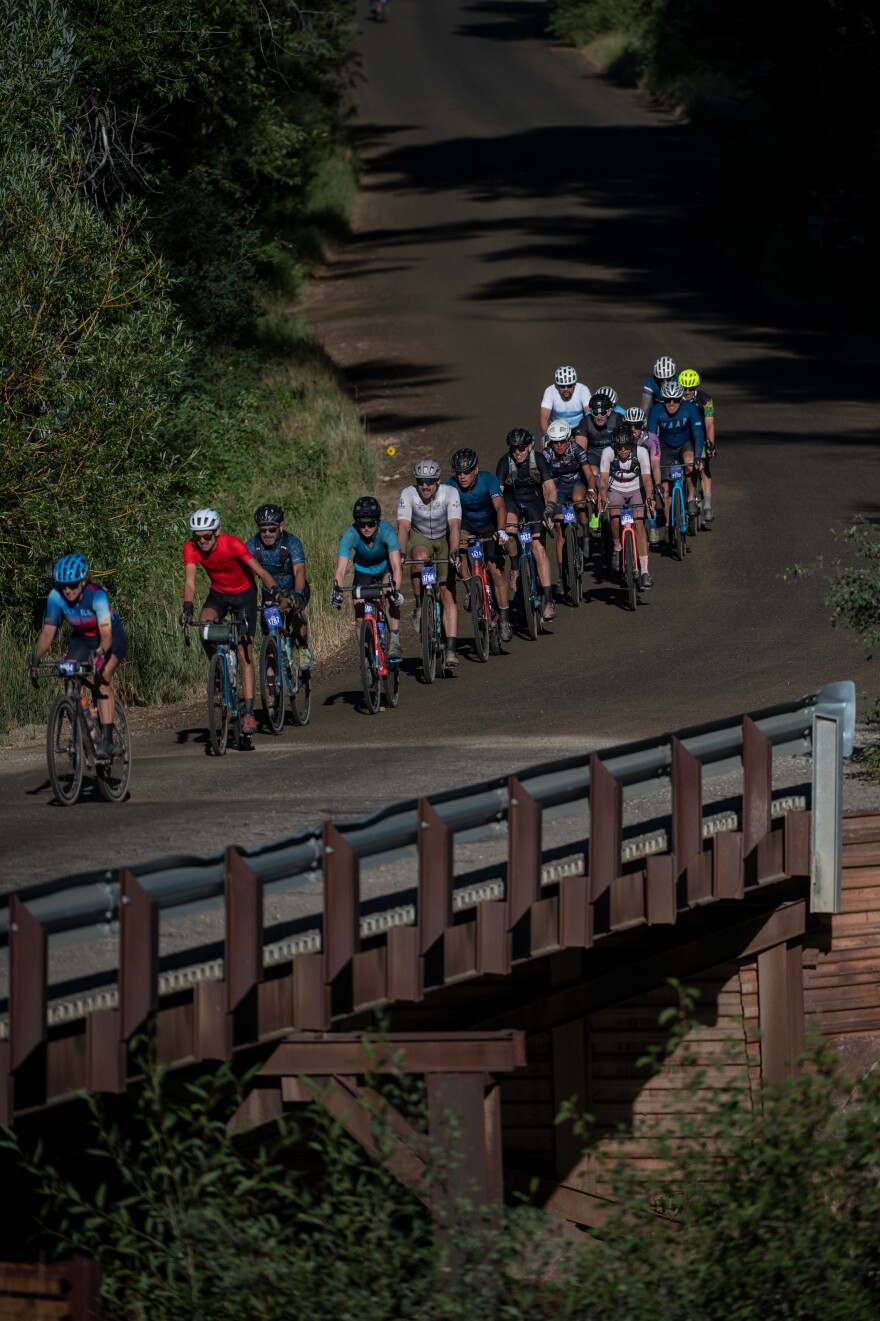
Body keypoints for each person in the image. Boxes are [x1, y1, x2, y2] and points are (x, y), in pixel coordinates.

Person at [181, 508, 289, 736]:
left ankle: (249, 712)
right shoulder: (190, 548)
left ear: (217, 532)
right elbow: (190, 581)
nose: (202, 542)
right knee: (204, 629)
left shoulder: (232, 544)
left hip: (244, 596)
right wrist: (187, 607)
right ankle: (219, 669)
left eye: (207, 537)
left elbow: (260, 572)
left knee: (244, 652)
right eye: (197, 537)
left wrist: (277, 592)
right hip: (218, 594)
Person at [26, 554, 127, 760]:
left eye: (72, 585)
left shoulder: (97, 595)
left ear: (83, 581)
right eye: (63, 586)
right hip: (82, 639)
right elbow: (48, 632)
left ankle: (107, 739)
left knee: (102, 677)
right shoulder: (56, 597)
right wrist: (36, 656)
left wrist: (99, 654)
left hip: (110, 638)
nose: (68, 590)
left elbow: (106, 636)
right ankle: (86, 721)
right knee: (68, 671)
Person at [397, 458, 463, 668]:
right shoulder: (408, 494)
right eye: (421, 481)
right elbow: (403, 526)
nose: (425, 486)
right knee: (419, 558)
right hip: (421, 535)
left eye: (429, 481)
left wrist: (453, 551)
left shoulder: (450, 493)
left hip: (444, 537)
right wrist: (399, 551)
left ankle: (451, 649)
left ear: (438, 481)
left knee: (447, 592)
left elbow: (454, 526)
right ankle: (419, 606)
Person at [446, 447, 513, 643]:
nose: (462, 476)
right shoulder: (450, 485)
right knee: (461, 546)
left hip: (489, 525)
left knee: (495, 571)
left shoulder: (488, 479)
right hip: (467, 524)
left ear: (476, 469)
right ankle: (471, 589)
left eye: (466, 472)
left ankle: (504, 620)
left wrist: (501, 530)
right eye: (458, 472)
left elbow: (500, 506)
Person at [495, 428, 558, 622]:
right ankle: (515, 567)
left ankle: (548, 601)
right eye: (514, 448)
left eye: (522, 448)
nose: (518, 452)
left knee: (538, 550)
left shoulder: (538, 459)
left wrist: (549, 510)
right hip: (512, 501)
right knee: (509, 531)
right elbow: (498, 494)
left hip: (534, 502)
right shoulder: (504, 462)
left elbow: (550, 489)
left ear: (529, 446)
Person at [331, 496, 404, 658]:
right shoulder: (350, 534)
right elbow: (341, 569)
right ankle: (366, 658)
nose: (366, 528)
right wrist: (337, 591)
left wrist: (396, 591)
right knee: (359, 613)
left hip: (385, 567)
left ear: (377, 521)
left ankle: (395, 639)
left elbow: (397, 566)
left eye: (370, 523)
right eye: (361, 524)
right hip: (363, 570)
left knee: (389, 595)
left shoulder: (387, 531)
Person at [246, 503, 312, 669]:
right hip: (270, 592)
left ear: (280, 527)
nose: (267, 533)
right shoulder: (252, 545)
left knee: (295, 614)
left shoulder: (292, 543)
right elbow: (245, 574)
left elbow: (299, 571)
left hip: (294, 586)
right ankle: (271, 684)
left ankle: (303, 648)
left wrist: (297, 594)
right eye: (263, 530)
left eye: (271, 529)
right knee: (269, 632)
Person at [597, 424, 655, 590]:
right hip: (616, 489)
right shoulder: (608, 453)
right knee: (614, 519)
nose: (623, 450)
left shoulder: (641, 452)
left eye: (626, 446)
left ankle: (644, 571)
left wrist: (649, 498)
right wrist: (603, 498)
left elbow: (647, 480)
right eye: (619, 447)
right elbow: (603, 481)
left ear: (632, 444)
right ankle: (617, 547)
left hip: (636, 489)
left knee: (639, 526)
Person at [542, 418, 595, 573]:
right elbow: (544, 485)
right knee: (560, 528)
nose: (559, 445)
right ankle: (561, 574)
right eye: (555, 442)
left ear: (568, 439)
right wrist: (548, 509)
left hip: (576, 482)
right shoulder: (546, 454)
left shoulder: (576, 449)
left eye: (562, 441)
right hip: (557, 488)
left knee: (579, 500)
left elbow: (590, 475)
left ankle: (585, 532)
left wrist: (591, 490)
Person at [646, 382, 705, 516]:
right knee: (665, 490)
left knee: (690, 462)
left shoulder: (690, 408)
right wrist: (654, 458)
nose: (672, 403)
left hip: (685, 443)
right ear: (663, 400)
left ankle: (691, 498)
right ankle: (668, 527)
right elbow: (652, 437)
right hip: (665, 446)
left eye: (676, 400)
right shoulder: (656, 410)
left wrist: (697, 457)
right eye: (668, 400)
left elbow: (698, 433)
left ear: (681, 399)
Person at [575, 392, 623, 534]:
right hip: (595, 455)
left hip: (614, 454)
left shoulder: (618, 419)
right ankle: (596, 511)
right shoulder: (585, 422)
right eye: (595, 412)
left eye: (603, 412)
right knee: (594, 474)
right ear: (591, 412)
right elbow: (580, 450)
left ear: (609, 411)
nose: (599, 416)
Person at [679, 368, 717, 523]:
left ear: (697, 387)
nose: (687, 391)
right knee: (689, 465)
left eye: (691, 388)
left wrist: (710, 444)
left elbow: (710, 424)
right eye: (684, 388)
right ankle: (691, 497)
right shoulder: (676, 398)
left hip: (700, 436)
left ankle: (707, 504)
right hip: (683, 438)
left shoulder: (705, 399)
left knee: (704, 463)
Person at [539, 365, 592, 438]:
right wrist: (546, 436)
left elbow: (589, 414)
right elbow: (544, 417)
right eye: (562, 386)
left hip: (579, 428)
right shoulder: (550, 391)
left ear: (574, 384)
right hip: (558, 429)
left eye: (569, 386)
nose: (566, 389)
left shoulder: (583, 390)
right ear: (557, 385)